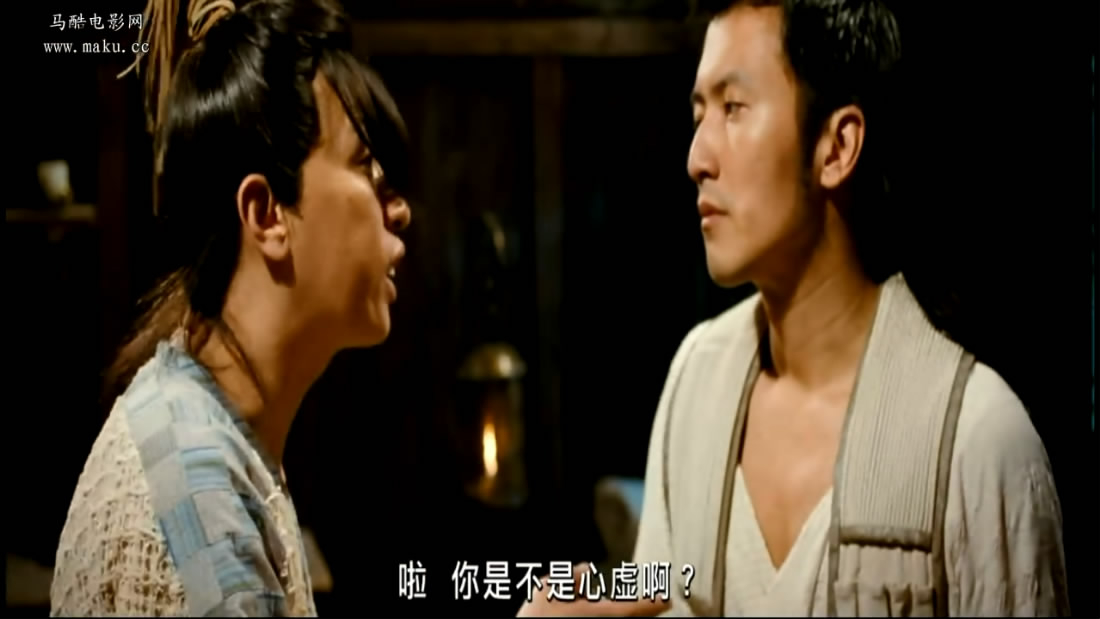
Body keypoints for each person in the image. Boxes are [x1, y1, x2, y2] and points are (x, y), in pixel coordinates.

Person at [622, 0, 1070, 616]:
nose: (697, 158)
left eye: (733, 108)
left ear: (837, 146)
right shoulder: (696, 379)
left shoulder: (978, 439)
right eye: (699, 114)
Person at [49, 0, 411, 615]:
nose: (398, 209)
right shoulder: (203, 505)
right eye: (366, 169)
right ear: (266, 214)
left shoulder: (208, 424)